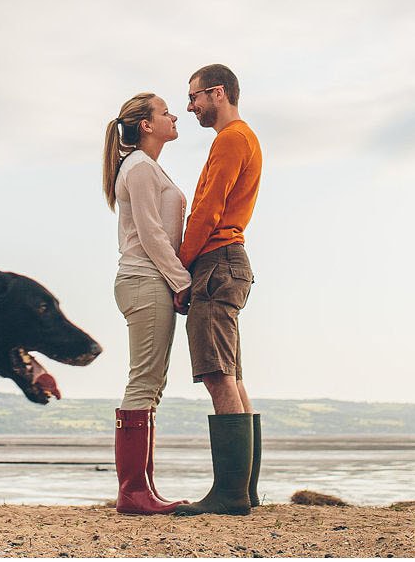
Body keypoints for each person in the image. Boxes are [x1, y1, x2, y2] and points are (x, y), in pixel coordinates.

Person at [173, 63, 263, 517]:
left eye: (194, 97)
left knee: (217, 374)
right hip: (230, 261)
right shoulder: (241, 138)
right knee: (232, 375)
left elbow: (208, 210)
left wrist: (181, 268)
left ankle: (230, 495)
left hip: (217, 261)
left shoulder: (231, 139)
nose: (189, 107)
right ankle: (243, 491)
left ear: (218, 92)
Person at [102, 91, 192, 515]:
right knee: (144, 381)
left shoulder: (147, 167)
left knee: (152, 384)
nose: (174, 116)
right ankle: (133, 492)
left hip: (149, 279)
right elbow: (152, 233)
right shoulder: (138, 167)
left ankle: (144, 490)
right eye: (164, 112)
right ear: (146, 125)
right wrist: (182, 280)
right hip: (146, 279)